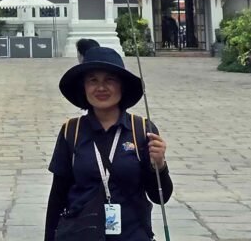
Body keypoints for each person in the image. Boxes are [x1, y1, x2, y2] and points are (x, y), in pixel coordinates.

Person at [45, 46, 173, 241]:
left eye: (109, 80)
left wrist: (160, 165)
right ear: (84, 87)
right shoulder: (71, 131)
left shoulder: (141, 129)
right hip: (80, 234)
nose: (101, 88)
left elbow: (160, 197)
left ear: (122, 86)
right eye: (93, 80)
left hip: (132, 234)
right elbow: (58, 195)